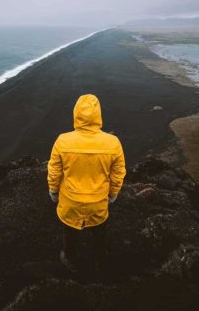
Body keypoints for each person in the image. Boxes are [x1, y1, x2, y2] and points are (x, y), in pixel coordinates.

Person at [47, 94, 126, 273]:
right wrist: (113, 195)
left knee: (70, 232)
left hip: (70, 202)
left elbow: (54, 171)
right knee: (99, 232)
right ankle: (99, 260)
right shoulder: (113, 143)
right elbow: (118, 173)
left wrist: (53, 191)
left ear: (76, 114)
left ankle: (70, 258)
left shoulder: (62, 140)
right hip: (98, 202)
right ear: (98, 115)